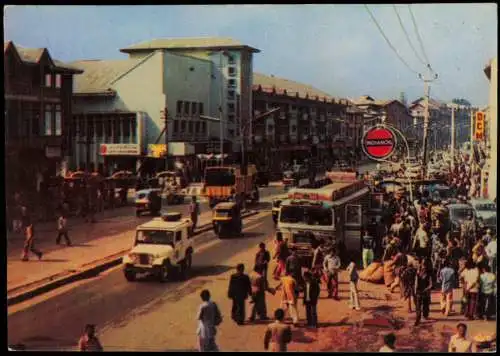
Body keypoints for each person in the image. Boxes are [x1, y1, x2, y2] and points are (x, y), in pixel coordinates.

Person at [414, 258, 433, 326]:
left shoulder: (425, 275)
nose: (423, 268)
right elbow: (416, 284)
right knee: (421, 306)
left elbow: (431, 285)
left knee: (422, 306)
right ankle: (419, 318)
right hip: (422, 292)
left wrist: (426, 289)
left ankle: (421, 317)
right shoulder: (419, 274)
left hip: (423, 292)